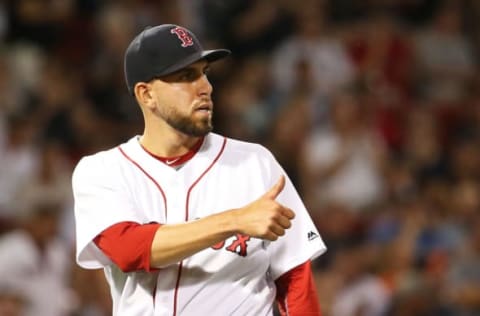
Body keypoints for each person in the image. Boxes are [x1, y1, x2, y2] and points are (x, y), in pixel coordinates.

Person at [72, 24, 326, 316]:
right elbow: (128, 250)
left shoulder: (255, 163)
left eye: (204, 72)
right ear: (146, 94)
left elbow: (295, 279)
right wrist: (235, 220)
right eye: (185, 76)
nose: (205, 86)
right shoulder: (103, 171)